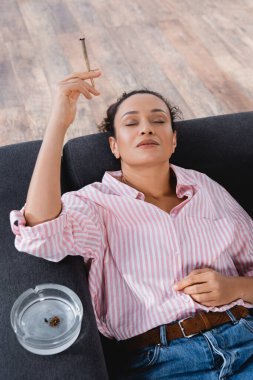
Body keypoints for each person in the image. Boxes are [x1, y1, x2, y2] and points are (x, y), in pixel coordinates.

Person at [10, 69, 253, 379]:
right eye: (131, 123)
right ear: (114, 146)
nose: (146, 129)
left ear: (173, 140)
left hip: (244, 338)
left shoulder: (207, 189)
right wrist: (58, 124)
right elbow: (40, 231)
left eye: (158, 120)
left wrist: (235, 287)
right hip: (162, 363)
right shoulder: (94, 203)